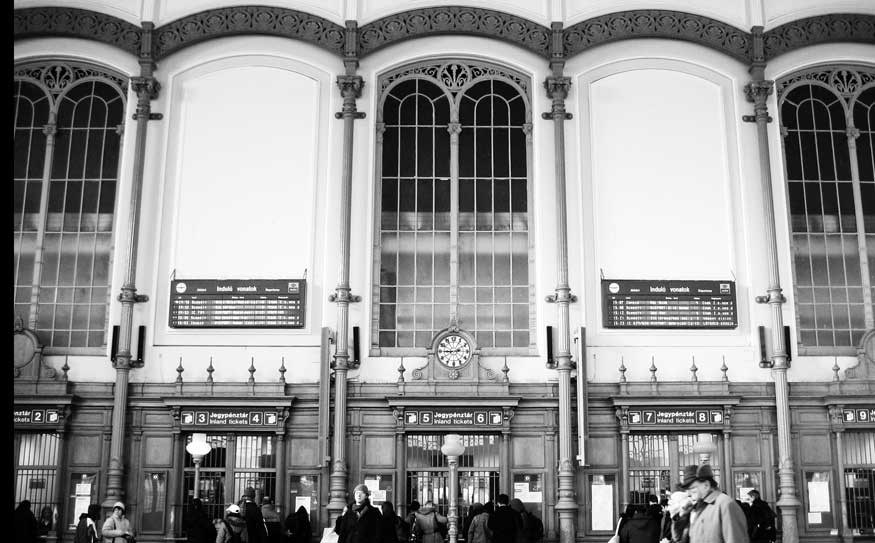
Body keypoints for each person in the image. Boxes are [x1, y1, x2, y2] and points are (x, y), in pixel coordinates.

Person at [682, 465, 749, 543]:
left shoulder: (725, 504)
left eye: (693, 488)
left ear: (706, 485)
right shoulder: (699, 507)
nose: (689, 493)